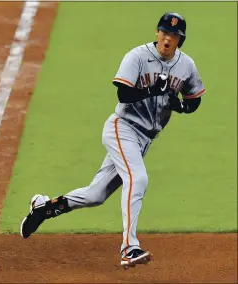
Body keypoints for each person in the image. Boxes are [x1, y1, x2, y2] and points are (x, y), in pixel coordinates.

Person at [20, 12, 206, 269]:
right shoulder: (137, 57)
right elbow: (123, 93)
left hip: (145, 139)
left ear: (180, 40)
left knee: (95, 195)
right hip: (123, 128)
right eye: (164, 32)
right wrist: (153, 89)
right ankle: (129, 248)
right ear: (157, 32)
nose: (167, 39)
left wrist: (180, 106)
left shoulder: (187, 66)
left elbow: (194, 100)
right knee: (137, 178)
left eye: (173, 35)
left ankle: (43, 207)